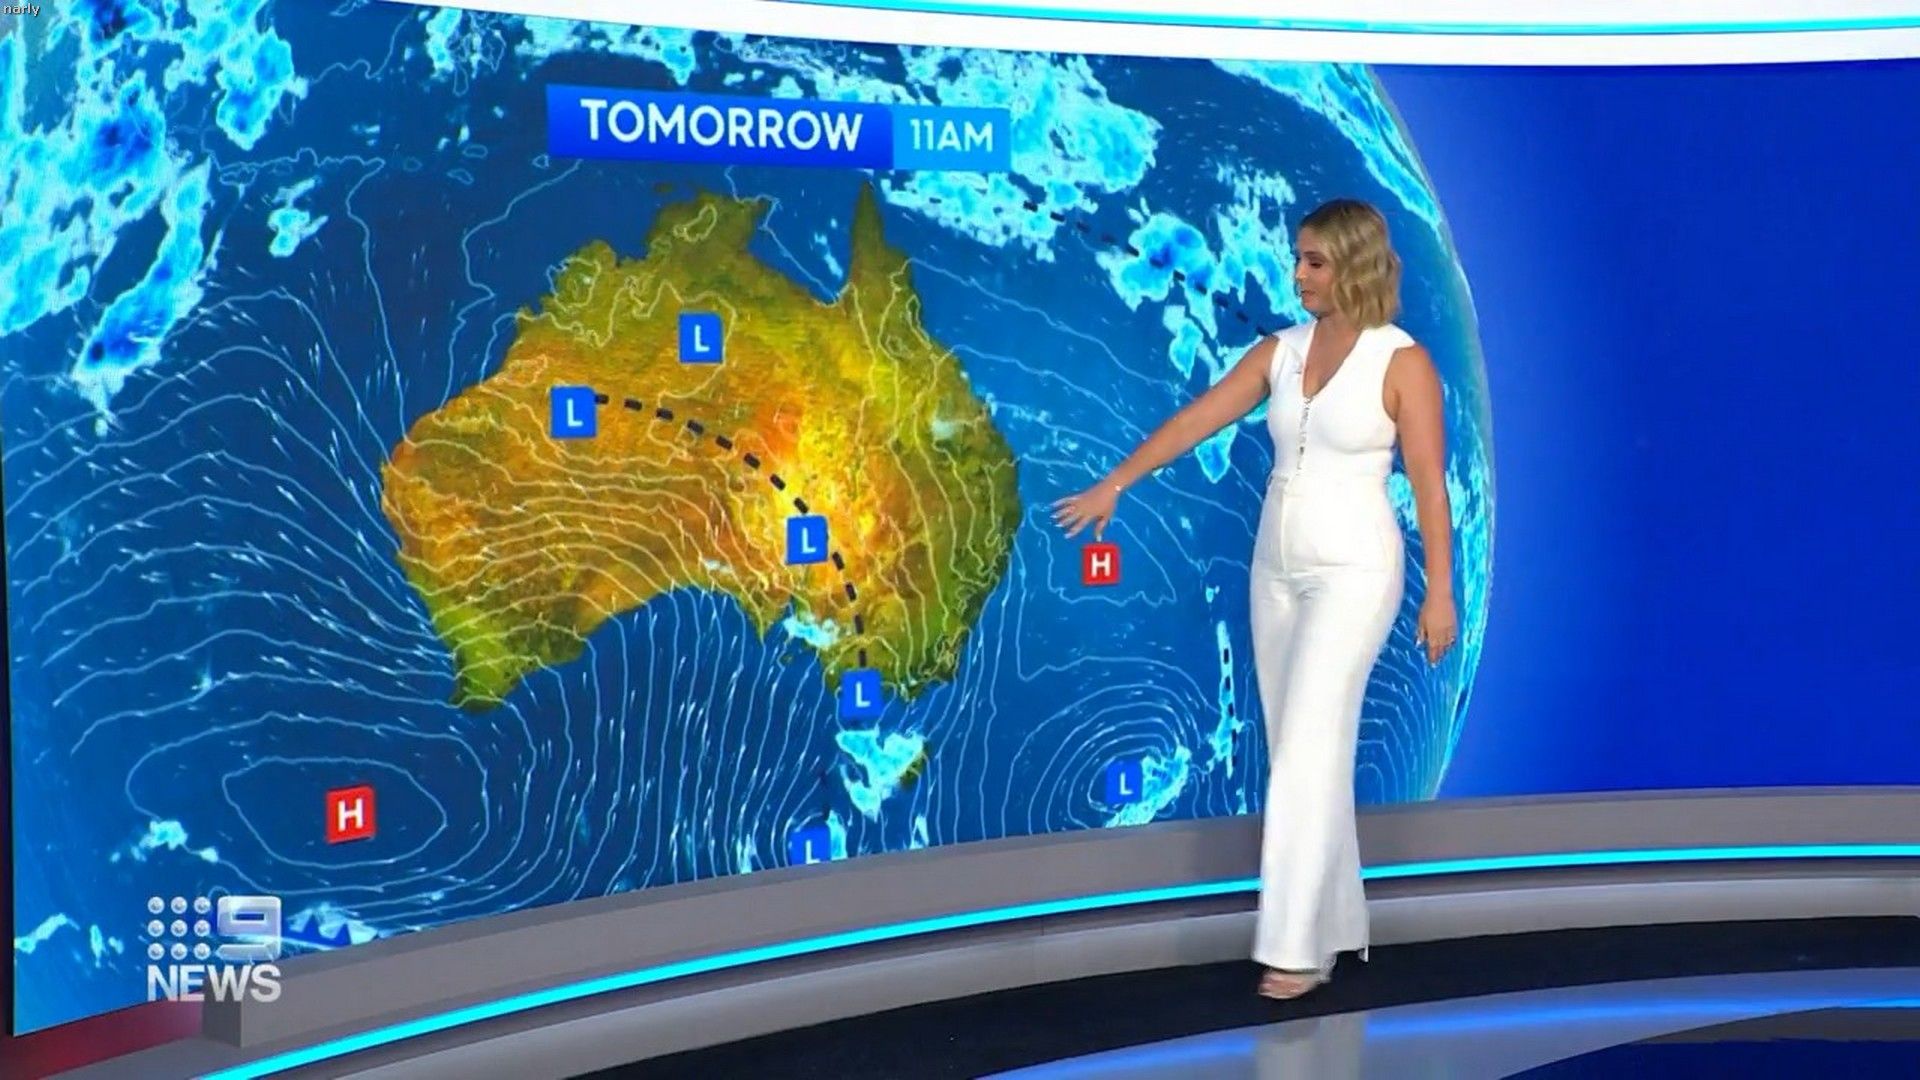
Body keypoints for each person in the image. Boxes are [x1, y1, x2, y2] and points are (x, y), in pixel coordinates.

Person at [1051, 198, 1457, 1001]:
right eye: (1297, 257)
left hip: (1355, 572)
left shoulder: (1402, 363)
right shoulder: (1280, 350)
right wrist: (1117, 483)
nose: (1297, 273)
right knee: (1303, 752)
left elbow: (1430, 485)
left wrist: (1439, 591)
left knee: (1306, 753)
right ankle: (1337, 923)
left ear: (1355, 266)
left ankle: (1294, 949)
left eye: (1315, 261)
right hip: (1275, 572)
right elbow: (1198, 419)